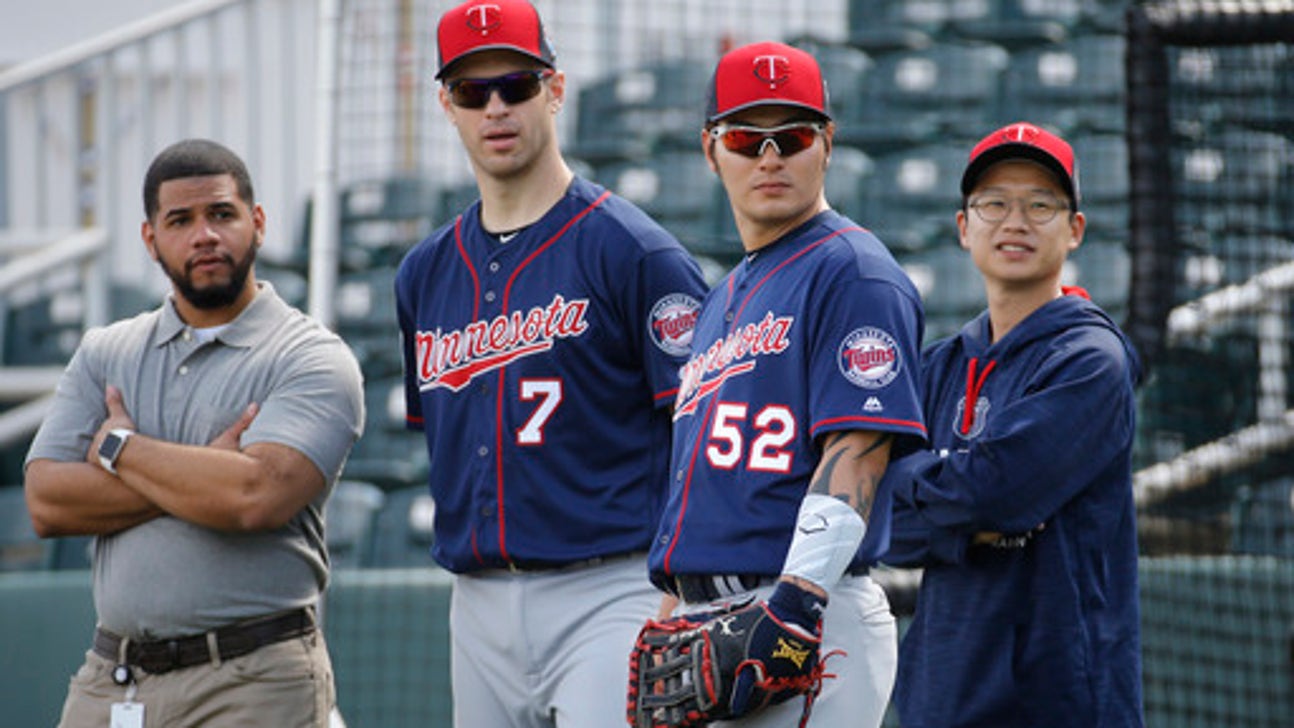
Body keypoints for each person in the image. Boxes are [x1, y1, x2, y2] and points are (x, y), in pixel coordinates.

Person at [394, 1, 707, 726]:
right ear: (448, 104)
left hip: (613, 586)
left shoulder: (636, 252)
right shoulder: (423, 273)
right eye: (474, 91)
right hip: (476, 605)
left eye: (518, 85)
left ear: (556, 90)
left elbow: (703, 426)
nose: (496, 107)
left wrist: (686, 583)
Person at [23, 138, 365, 728]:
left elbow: (253, 496)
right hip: (114, 678)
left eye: (222, 214)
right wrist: (201, 471)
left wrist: (116, 449)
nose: (204, 235)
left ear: (257, 223)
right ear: (151, 238)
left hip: (253, 677)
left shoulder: (311, 356)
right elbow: (47, 501)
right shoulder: (106, 351)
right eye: (180, 220)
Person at [643, 41, 928, 727]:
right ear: (711, 152)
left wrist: (796, 604)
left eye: (792, 136)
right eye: (746, 137)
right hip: (713, 617)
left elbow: (858, 447)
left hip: (802, 614)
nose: (769, 157)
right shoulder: (725, 296)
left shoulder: (853, 272)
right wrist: (668, 615)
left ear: (827, 144)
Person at [881, 122, 1144, 727]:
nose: (1015, 221)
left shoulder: (1089, 362)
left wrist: (932, 492)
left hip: (1058, 700)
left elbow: (994, 495)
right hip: (942, 694)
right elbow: (880, 521)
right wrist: (959, 519)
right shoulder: (939, 364)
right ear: (963, 226)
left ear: (1075, 229)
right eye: (994, 203)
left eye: (1040, 204)